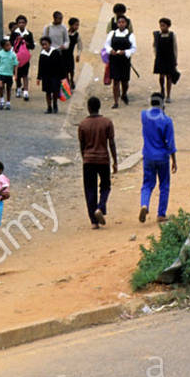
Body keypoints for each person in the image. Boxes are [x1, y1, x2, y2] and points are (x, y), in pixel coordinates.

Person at [76, 96, 117, 228]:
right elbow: (111, 143)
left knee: (90, 189)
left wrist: (84, 157)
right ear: (99, 107)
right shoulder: (107, 122)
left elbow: (82, 144)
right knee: (105, 186)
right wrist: (115, 161)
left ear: (88, 108)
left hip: (88, 160)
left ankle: (94, 222)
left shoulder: (83, 125)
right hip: (103, 159)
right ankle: (101, 207)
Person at [139, 92, 177, 224]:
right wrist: (174, 160)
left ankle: (144, 204)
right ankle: (161, 214)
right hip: (162, 156)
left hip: (148, 155)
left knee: (147, 184)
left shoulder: (144, 115)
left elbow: (149, 113)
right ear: (162, 104)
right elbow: (170, 143)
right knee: (164, 185)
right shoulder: (166, 120)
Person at [103, 14, 136, 108]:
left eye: (123, 22)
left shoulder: (130, 35)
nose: (121, 24)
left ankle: (124, 93)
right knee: (116, 81)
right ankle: (115, 101)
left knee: (125, 81)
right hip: (114, 60)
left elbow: (133, 48)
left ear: (126, 24)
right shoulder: (112, 33)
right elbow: (107, 45)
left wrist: (125, 52)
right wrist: (110, 50)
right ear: (117, 24)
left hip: (125, 60)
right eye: (119, 22)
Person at [152, 17, 179, 103]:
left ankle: (168, 95)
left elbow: (175, 48)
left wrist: (175, 59)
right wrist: (156, 55)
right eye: (161, 25)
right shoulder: (157, 35)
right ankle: (162, 89)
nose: (161, 27)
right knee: (161, 76)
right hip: (160, 58)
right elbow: (154, 46)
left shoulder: (172, 35)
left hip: (169, 58)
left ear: (168, 26)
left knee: (169, 77)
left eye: (163, 26)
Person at [36, 34, 64, 113]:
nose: (44, 46)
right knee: (48, 92)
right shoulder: (42, 55)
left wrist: (62, 77)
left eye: (45, 44)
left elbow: (61, 65)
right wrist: (39, 77)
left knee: (55, 91)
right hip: (46, 76)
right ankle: (49, 107)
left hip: (55, 76)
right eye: (43, 45)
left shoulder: (56, 52)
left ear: (49, 44)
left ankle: (55, 104)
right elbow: (40, 66)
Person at [11, 15, 35, 101]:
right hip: (16, 57)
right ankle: (18, 88)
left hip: (25, 58)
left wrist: (27, 43)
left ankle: (25, 90)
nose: (21, 24)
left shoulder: (28, 34)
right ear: (17, 24)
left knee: (25, 74)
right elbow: (10, 44)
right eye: (19, 23)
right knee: (17, 73)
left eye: (23, 23)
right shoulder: (14, 34)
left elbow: (32, 46)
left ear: (26, 24)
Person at [0, 37, 17, 110]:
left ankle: (8, 102)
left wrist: (15, 74)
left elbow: (15, 64)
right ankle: (1, 100)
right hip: (1, 73)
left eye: (10, 45)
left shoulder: (13, 54)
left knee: (8, 88)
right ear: (3, 46)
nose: (9, 47)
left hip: (9, 74)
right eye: (7, 45)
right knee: (0, 86)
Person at [65, 17, 82, 88]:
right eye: (76, 25)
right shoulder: (65, 33)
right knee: (65, 70)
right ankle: (68, 81)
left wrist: (78, 54)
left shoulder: (77, 35)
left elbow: (80, 46)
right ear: (71, 25)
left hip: (70, 55)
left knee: (71, 70)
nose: (77, 27)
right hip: (63, 55)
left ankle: (71, 79)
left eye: (78, 25)